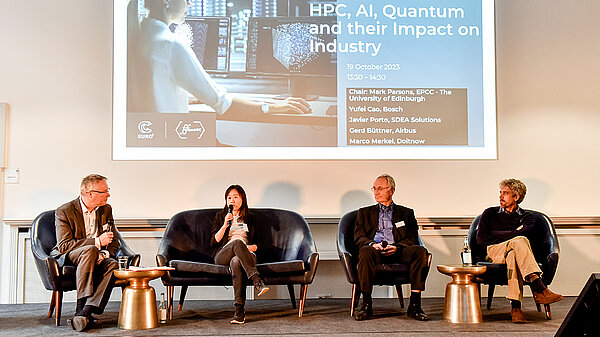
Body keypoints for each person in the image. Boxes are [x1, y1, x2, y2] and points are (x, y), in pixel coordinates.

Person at [127, 0, 311, 116]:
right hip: (173, 141)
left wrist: (190, 97)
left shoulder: (137, 38)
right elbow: (223, 103)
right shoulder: (171, 45)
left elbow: (153, 89)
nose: (190, 4)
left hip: (150, 138)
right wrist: (273, 108)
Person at [476, 178, 563, 323]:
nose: (500, 196)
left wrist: (497, 234)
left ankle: (516, 309)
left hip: (514, 253)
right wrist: (515, 232)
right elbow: (482, 239)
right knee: (519, 241)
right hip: (493, 252)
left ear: (516, 197)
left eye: (505, 193)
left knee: (514, 254)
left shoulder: (528, 217)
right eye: (500, 192)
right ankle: (539, 288)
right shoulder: (489, 213)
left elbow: (529, 239)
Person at [353, 174, 430, 321]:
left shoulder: (406, 213)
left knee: (420, 251)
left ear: (392, 191)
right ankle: (366, 304)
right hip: (374, 250)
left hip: (398, 250)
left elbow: (413, 238)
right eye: (374, 188)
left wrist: (398, 247)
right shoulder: (364, 212)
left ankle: (415, 305)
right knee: (365, 251)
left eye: (380, 188)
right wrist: (372, 244)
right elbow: (358, 236)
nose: (376, 192)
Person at [50, 174, 119, 332]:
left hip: (97, 255)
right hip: (71, 255)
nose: (109, 195)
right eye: (105, 191)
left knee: (113, 264)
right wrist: (97, 243)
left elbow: (114, 241)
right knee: (90, 250)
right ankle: (81, 308)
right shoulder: (65, 211)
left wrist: (105, 254)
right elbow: (64, 245)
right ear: (90, 193)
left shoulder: (106, 209)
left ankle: (85, 312)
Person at [211, 185, 270, 324]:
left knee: (237, 261)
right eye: (229, 198)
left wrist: (248, 247)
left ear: (242, 198)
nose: (232, 200)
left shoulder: (251, 218)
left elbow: (262, 244)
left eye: (235, 197)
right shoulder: (220, 217)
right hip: (223, 255)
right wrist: (225, 224)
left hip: (247, 254)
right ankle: (256, 280)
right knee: (237, 243)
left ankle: (239, 311)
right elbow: (213, 242)